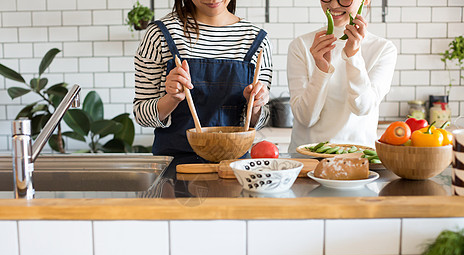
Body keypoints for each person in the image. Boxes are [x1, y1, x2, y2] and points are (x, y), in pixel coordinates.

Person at [133, 0, 272, 160]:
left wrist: (255, 105)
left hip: (234, 168)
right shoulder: (159, 35)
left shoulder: (257, 40)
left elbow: (261, 120)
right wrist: (171, 99)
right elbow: (141, 115)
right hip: (176, 168)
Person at [286, 0, 397, 152]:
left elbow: (362, 108)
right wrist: (321, 70)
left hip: (357, 159)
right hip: (308, 158)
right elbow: (306, 118)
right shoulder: (301, 45)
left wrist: (353, 56)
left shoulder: (383, 49)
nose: (333, 5)